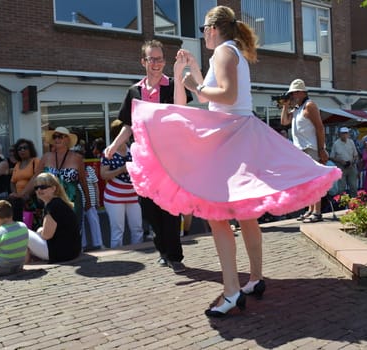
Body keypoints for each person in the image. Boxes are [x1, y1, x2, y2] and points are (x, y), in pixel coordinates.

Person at [128, 6, 340, 317]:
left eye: (203, 28)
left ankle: (230, 292)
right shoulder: (231, 52)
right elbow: (209, 97)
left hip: (230, 135)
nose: (202, 34)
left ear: (214, 29)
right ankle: (253, 279)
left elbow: (224, 96)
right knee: (244, 214)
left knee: (218, 215)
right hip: (238, 133)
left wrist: (193, 85)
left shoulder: (225, 53)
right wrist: (191, 73)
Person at [105, 39, 192, 271]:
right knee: (150, 210)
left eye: (159, 59)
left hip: (169, 160)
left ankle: (175, 256)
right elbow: (128, 125)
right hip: (144, 161)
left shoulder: (172, 85)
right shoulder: (134, 91)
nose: (156, 63)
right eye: (151, 59)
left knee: (170, 209)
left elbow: (182, 110)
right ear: (143, 61)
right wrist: (114, 146)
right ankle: (162, 250)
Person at [281, 79, 329, 223]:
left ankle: (317, 212)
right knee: (307, 182)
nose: (292, 95)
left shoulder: (310, 106)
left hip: (311, 148)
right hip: (301, 150)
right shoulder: (297, 108)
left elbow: (320, 128)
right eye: (291, 93)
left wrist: (321, 149)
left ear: (302, 92)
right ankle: (310, 210)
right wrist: (285, 106)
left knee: (314, 181)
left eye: (295, 92)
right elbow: (284, 122)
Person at [32, 127, 89, 225]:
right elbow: (35, 178)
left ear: (67, 139)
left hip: (72, 199)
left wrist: (88, 200)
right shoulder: (46, 157)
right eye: (55, 137)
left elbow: (83, 181)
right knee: (52, 231)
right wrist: (22, 194)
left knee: (73, 230)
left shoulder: (77, 158)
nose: (57, 139)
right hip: (51, 199)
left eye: (60, 136)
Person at [101, 120, 144, 248]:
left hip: (133, 195)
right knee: (117, 231)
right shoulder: (108, 152)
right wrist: (122, 169)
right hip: (114, 197)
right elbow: (103, 175)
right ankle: (118, 261)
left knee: (137, 228)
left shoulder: (133, 150)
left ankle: (139, 255)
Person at [26, 173, 81, 263]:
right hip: (71, 252)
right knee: (38, 230)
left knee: (23, 231)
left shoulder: (53, 206)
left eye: (43, 186)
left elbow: (46, 235)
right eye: (36, 188)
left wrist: (40, 232)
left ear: (53, 188)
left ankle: (24, 264)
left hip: (60, 253)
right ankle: (28, 262)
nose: (39, 190)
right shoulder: (58, 203)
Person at [8, 138, 40, 225]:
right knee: (19, 225)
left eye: (25, 148)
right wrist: (16, 195)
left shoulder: (35, 161)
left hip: (31, 199)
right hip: (19, 202)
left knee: (32, 225)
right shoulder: (17, 164)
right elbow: (12, 182)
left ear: (30, 149)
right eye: (19, 149)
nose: (22, 150)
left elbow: (37, 179)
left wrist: (25, 195)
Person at [330, 127, 359, 197]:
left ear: (348, 134)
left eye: (346, 133)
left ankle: (354, 204)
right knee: (341, 188)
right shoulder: (336, 144)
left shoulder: (351, 142)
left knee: (354, 187)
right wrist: (340, 161)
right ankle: (342, 204)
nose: (345, 135)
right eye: (343, 133)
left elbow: (356, 155)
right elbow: (331, 157)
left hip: (351, 167)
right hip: (341, 168)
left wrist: (353, 161)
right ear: (340, 134)